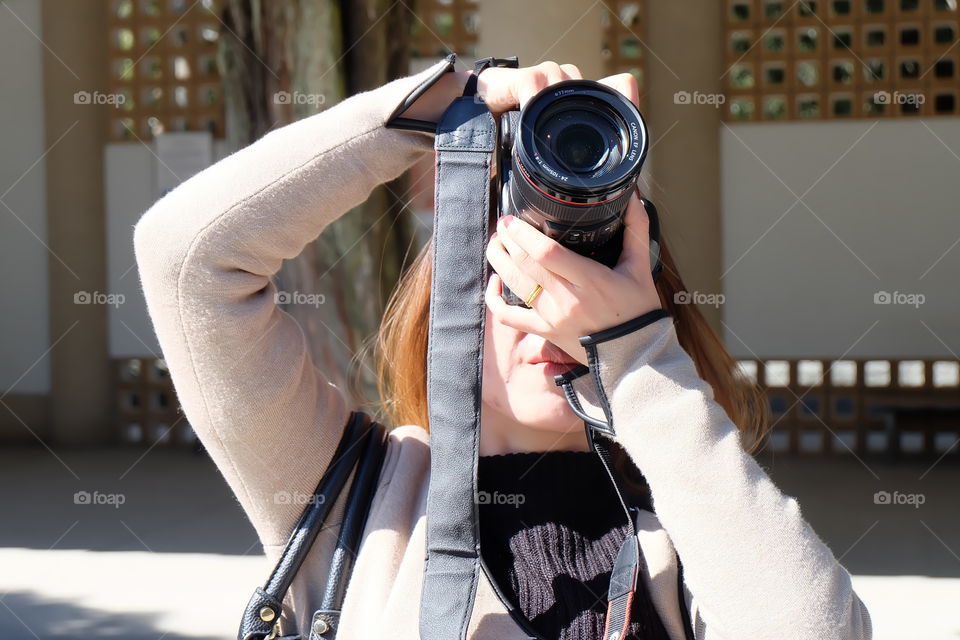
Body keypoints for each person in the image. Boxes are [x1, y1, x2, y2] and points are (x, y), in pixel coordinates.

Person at [134, 56, 872, 639]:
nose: (552, 324)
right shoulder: (355, 495)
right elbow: (186, 257)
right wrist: (437, 107)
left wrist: (635, 360)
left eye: (587, 297)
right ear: (450, 307)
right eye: (521, 286)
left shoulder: (692, 526)